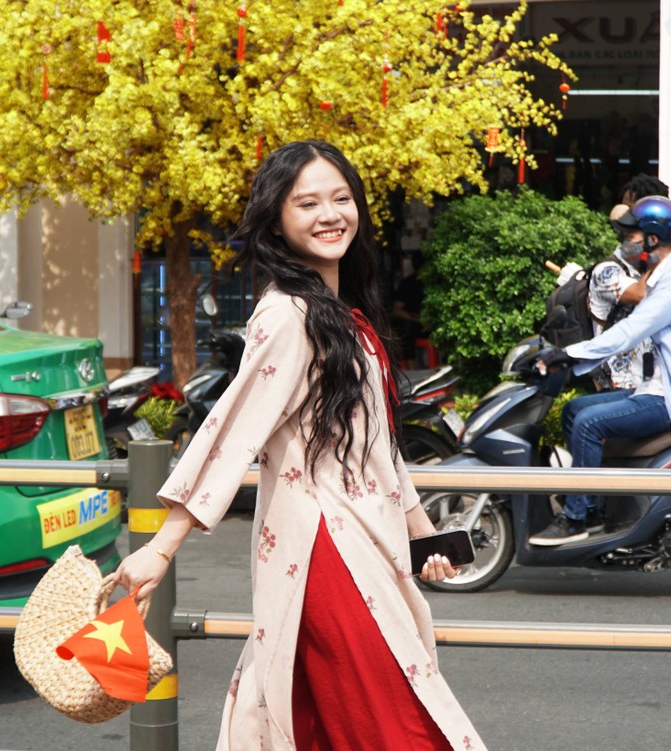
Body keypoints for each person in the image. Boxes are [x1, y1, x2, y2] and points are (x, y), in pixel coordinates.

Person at [112, 140, 485, 751]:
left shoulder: (343, 313)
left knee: (330, 721)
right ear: (277, 222)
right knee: (400, 726)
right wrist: (160, 548)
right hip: (325, 553)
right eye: (306, 202)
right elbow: (230, 433)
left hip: (364, 542)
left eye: (340, 198)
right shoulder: (287, 316)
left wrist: (421, 533)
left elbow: (377, 447)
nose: (329, 214)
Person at [529, 196, 671, 546]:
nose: (629, 241)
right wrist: (570, 357)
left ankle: (577, 517)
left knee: (590, 423)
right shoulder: (665, 274)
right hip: (659, 385)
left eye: (635, 234)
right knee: (575, 410)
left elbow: (628, 332)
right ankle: (592, 503)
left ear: (651, 239)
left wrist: (568, 353)